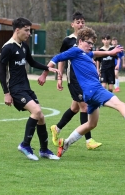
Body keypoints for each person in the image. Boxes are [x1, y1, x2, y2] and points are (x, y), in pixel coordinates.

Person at [43, 26, 125, 158]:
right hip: (95, 90)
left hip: (89, 94)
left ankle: (66, 143)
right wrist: (46, 72)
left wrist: (110, 52)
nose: (91, 46)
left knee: (91, 124)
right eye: (88, 42)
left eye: (92, 43)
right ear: (80, 41)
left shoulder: (85, 54)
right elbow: (58, 57)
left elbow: (96, 53)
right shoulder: (75, 51)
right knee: (119, 103)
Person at [0, 17, 60, 161]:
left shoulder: (24, 46)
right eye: (26, 30)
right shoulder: (8, 48)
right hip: (15, 89)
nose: (29, 33)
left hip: (26, 87)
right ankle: (25, 144)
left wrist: (47, 68)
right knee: (36, 111)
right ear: (17, 30)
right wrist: (6, 93)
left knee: (41, 117)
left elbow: (31, 62)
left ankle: (44, 150)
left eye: (30, 30)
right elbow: (1, 71)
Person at [38, 12, 102, 150]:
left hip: (86, 80)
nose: (81, 24)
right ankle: (89, 140)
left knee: (75, 108)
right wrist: (59, 77)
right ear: (72, 24)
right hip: (74, 79)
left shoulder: (88, 40)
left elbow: (90, 57)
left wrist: (95, 70)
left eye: (83, 21)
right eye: (78, 22)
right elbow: (61, 58)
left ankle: (57, 127)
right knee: (84, 107)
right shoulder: (68, 41)